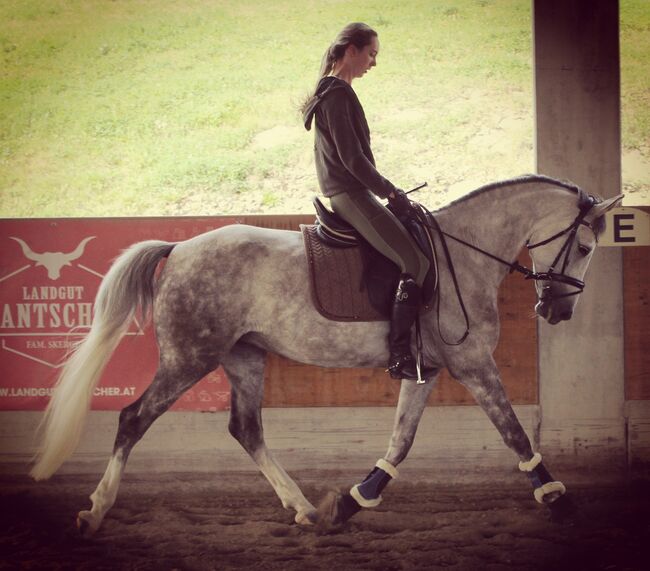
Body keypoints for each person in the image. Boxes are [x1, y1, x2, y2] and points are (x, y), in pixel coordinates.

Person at [302, 22, 430, 380]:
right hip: (351, 194)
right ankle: (400, 355)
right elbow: (352, 160)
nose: (374, 62)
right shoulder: (339, 93)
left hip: (350, 191)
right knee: (414, 262)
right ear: (351, 50)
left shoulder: (330, 92)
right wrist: (392, 192)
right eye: (371, 53)